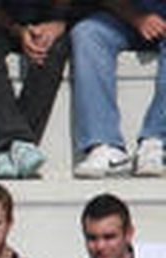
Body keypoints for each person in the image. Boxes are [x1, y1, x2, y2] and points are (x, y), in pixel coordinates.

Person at [0, 0, 74, 180]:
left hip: (55, 26)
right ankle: (19, 143)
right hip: (6, 25)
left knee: (56, 48)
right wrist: (17, 30)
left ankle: (11, 148)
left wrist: (61, 24)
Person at [69, 0, 166, 178]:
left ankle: (156, 141)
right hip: (126, 15)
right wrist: (138, 18)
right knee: (87, 32)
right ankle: (105, 145)